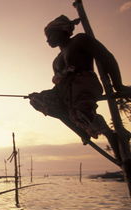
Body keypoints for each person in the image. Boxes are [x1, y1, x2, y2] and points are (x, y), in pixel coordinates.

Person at [28, 15, 130, 159]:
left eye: (50, 34)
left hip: (83, 83)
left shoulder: (80, 40)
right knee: (38, 100)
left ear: (62, 30)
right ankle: (81, 129)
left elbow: (106, 57)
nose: (48, 39)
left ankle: (111, 135)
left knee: (81, 111)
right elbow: (58, 83)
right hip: (64, 90)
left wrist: (118, 85)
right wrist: (39, 96)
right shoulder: (56, 60)